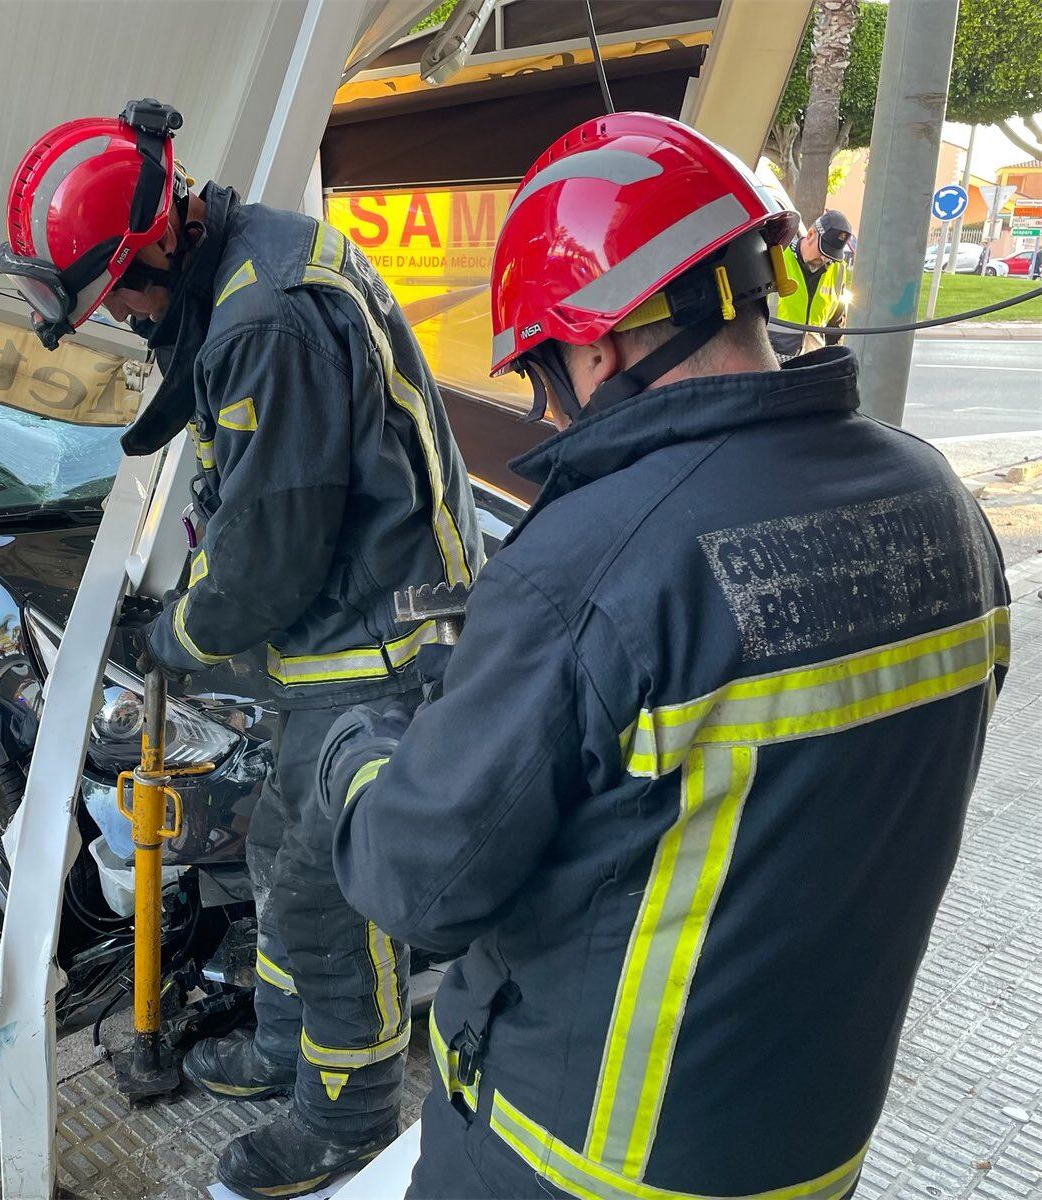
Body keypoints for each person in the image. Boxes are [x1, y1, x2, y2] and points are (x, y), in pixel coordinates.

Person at [321, 113, 1009, 1198]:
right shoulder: (942, 507)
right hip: (814, 1148)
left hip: (579, 1162)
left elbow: (417, 886)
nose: (552, 396)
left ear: (596, 343)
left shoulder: (589, 565)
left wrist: (368, 751)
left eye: (546, 370)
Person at [0, 100, 482, 1197]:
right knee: (278, 853)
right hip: (354, 624)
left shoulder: (263, 325)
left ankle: (345, 1117)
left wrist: (170, 635)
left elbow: (268, 559)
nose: (115, 313)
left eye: (113, 291)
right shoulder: (239, 277)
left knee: (322, 894)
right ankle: (279, 1042)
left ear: (154, 243)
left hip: (380, 646)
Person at [769, 207, 853, 359]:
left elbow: (836, 322)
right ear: (810, 235)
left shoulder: (838, 269)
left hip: (812, 359)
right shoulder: (779, 258)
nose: (825, 260)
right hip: (773, 356)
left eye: (831, 255)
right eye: (823, 251)